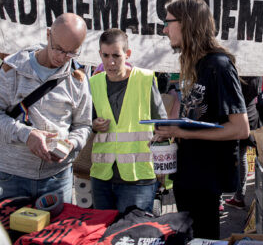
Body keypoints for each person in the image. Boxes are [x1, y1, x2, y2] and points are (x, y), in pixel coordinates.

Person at [155, 0, 249, 239]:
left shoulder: (218, 65)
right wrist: (172, 129)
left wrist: (182, 132)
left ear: (186, 23)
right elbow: (199, 116)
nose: (165, 29)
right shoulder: (193, 62)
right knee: (189, 236)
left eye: (168, 23)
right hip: (187, 172)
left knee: (204, 238)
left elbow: (240, 129)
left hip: (206, 177)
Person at [0, 13, 92, 203]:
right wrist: (27, 135)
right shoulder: (12, 70)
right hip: (11, 175)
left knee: (54, 233)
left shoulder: (77, 79)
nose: (62, 57)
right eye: (58, 49)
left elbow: (84, 125)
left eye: (71, 52)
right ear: (48, 34)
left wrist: (71, 145)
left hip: (57, 178)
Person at [90, 28, 167, 213]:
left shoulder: (145, 80)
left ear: (128, 53)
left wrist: (163, 168)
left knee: (131, 237)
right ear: (100, 54)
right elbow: (85, 121)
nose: (111, 62)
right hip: (102, 175)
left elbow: (162, 125)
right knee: (102, 237)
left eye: (116, 55)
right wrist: (93, 125)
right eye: (106, 55)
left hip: (138, 178)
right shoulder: (94, 82)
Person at [225, 76, 261, 209]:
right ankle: (239, 196)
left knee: (237, 157)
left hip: (239, 118)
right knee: (242, 156)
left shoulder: (238, 76)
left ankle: (238, 196)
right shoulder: (256, 74)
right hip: (251, 116)